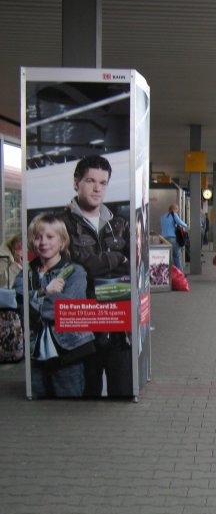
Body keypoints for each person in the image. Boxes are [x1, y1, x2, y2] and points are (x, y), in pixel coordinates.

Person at [59, 154, 131, 397]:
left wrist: (106, 263)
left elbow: (133, 265)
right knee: (87, 391)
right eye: (91, 181)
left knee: (122, 388)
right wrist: (116, 258)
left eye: (103, 182)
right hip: (83, 323)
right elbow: (74, 269)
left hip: (118, 321)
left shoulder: (119, 224)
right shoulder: (61, 225)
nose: (97, 188)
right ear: (76, 182)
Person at [14, 214, 94, 397]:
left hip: (68, 355)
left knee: (68, 405)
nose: (43, 242)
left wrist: (34, 299)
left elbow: (64, 311)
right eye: (38, 237)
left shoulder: (75, 272)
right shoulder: (24, 276)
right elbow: (21, 307)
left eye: (50, 237)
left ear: (62, 241)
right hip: (36, 357)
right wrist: (46, 292)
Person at [160, 204, 188, 272]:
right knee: (176, 257)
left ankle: (167, 273)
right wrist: (186, 225)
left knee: (167, 257)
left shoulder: (162, 217)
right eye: (177, 210)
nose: (177, 212)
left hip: (164, 239)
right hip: (172, 238)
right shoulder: (174, 214)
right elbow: (179, 222)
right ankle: (180, 273)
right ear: (174, 209)